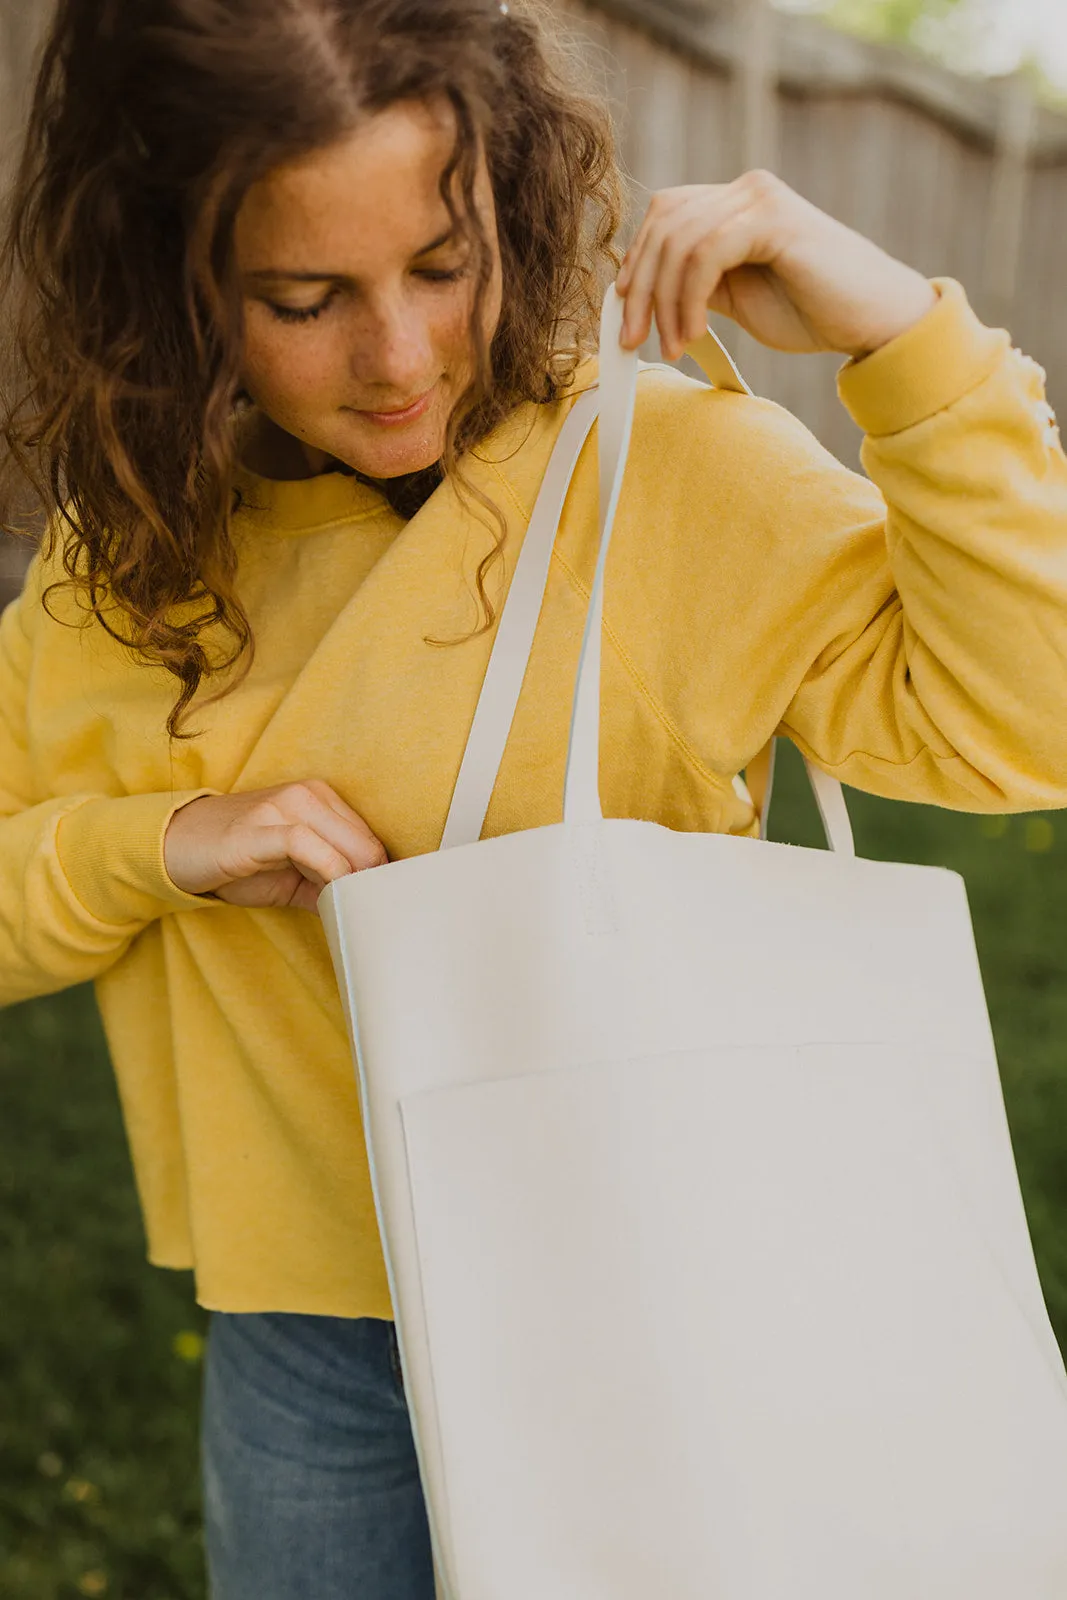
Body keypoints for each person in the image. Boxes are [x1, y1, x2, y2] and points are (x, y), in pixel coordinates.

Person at [2, 0, 1066, 1594]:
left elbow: (1024, 727)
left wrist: (902, 344)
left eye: (444, 266)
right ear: (177, 282)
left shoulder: (655, 472)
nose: (399, 357)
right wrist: (153, 845)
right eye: (304, 299)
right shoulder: (129, 550)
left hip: (652, 1294)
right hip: (308, 1344)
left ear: (508, 196)